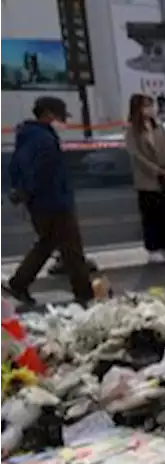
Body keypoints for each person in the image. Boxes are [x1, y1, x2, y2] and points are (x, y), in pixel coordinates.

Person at [3, 97, 95, 307]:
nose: (61, 121)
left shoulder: (27, 135)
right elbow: (43, 172)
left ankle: (19, 283)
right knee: (71, 246)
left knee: (48, 242)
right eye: (59, 115)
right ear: (49, 113)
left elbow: (18, 167)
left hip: (40, 201)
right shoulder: (43, 139)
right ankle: (84, 293)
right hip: (53, 201)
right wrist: (33, 190)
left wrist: (23, 191)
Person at [124, 93, 165, 263]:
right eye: (146, 106)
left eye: (151, 105)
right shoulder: (132, 130)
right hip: (147, 179)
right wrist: (157, 170)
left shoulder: (158, 126)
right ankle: (153, 248)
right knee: (150, 215)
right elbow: (136, 155)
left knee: (164, 213)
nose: (151, 109)